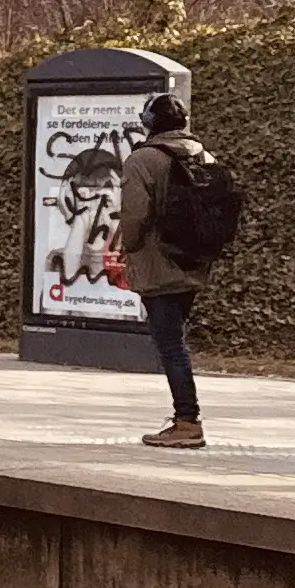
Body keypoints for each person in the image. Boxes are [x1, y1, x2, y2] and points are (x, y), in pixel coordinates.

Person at [107, 92, 227, 449]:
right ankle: (186, 419)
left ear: (150, 123)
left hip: (158, 264)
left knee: (171, 345)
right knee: (177, 338)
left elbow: (134, 216)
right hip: (193, 261)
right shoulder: (203, 154)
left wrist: (126, 249)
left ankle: (187, 421)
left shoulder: (143, 159)